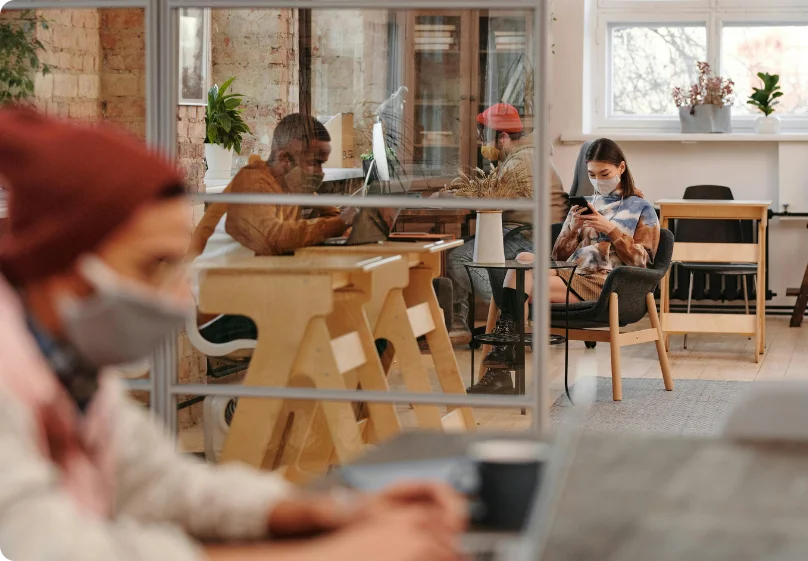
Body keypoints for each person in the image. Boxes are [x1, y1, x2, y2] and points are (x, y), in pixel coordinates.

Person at [0, 108, 466, 561]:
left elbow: (164, 485)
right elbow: (54, 550)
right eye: (152, 267)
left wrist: (333, 511)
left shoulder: (74, 372)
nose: (179, 296)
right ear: (62, 267)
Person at [467, 138, 659, 394]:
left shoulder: (642, 208)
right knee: (524, 259)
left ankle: (501, 368)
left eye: (605, 173)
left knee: (520, 277)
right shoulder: (586, 205)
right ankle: (504, 360)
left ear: (621, 168)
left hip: (606, 283)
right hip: (571, 272)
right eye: (592, 174)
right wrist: (574, 230)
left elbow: (643, 261)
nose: (598, 180)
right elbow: (557, 254)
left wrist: (611, 230)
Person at [190, 113, 353, 344]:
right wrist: (336, 224)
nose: (319, 172)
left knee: (351, 316)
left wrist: (310, 190)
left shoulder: (284, 186)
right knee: (329, 322)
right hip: (219, 310)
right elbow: (278, 238)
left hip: (251, 297)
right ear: (285, 159)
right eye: (314, 163)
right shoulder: (254, 185)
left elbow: (333, 218)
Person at [446, 103, 569, 345]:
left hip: (528, 238)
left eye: (484, 138)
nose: (482, 144)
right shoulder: (526, 155)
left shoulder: (521, 161)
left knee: (457, 258)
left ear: (502, 138)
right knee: (457, 248)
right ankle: (458, 323)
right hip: (528, 232)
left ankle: (511, 313)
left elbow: (493, 201)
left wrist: (452, 196)